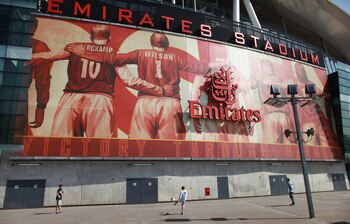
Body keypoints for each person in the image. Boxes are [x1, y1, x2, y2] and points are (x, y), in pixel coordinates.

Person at [66, 32, 215, 139]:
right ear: (167, 44)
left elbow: (112, 58)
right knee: (170, 146)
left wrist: (84, 53)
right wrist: (215, 66)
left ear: (151, 43)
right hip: (170, 103)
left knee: (139, 144)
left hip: (145, 102)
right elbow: (197, 68)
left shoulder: (140, 53)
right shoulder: (175, 58)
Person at [31, 25, 168, 137]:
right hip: (100, 100)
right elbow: (130, 80)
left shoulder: (75, 47)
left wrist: (22, 55)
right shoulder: (114, 53)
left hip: (70, 99)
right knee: (101, 149)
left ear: (91, 37)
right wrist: (158, 89)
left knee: (61, 147)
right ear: (109, 38)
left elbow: (45, 57)